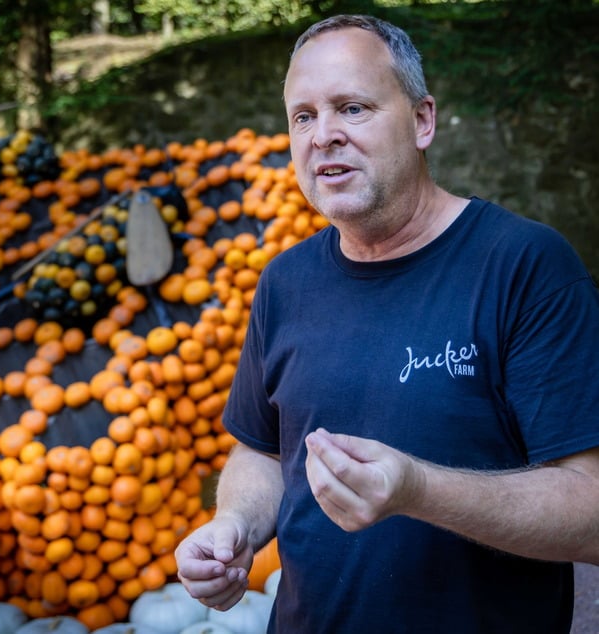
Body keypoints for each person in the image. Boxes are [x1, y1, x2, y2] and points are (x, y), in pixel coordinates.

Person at [174, 13, 599, 634]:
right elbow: (263, 451)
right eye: (303, 116)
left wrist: (416, 489)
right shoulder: (284, 283)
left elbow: (590, 511)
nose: (323, 136)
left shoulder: (525, 265)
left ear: (423, 121)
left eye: (352, 108)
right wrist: (233, 526)